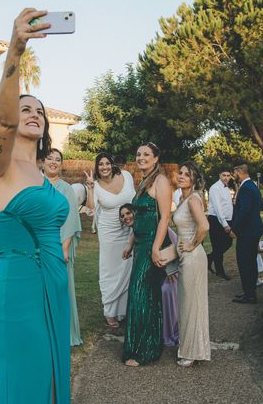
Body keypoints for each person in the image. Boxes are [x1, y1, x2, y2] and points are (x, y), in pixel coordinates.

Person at [0, 8, 71, 403]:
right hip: (18, 289)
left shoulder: (41, 175)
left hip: (54, 283)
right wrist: (15, 50)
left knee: (51, 374)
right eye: (25, 108)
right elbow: (1, 124)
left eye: (40, 111)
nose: (33, 114)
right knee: (27, 378)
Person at [121, 142, 171, 367]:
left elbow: (165, 218)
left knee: (141, 293)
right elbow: (138, 217)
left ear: (156, 158)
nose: (141, 157)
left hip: (152, 244)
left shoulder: (161, 181)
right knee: (144, 294)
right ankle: (144, 345)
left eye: (146, 154)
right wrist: (131, 243)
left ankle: (143, 350)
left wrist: (155, 247)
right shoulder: (142, 182)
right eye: (138, 154)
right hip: (140, 245)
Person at [84, 153, 134, 328]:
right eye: (100, 164)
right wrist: (90, 188)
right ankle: (110, 311)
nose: (104, 167)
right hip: (109, 233)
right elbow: (91, 210)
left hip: (129, 228)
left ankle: (125, 310)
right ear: (97, 167)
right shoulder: (96, 185)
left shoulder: (126, 176)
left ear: (112, 164)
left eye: (107, 163)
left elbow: (134, 199)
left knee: (128, 268)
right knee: (110, 270)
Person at [121, 203, 179, 348]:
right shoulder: (136, 232)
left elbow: (172, 245)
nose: (126, 217)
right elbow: (133, 237)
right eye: (122, 216)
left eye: (128, 213)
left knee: (165, 291)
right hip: (154, 272)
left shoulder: (155, 226)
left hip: (169, 272)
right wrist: (129, 246)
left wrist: (170, 269)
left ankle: (170, 332)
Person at [43, 148, 83, 346]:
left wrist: (65, 247)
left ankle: (63, 333)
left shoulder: (66, 189)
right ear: (42, 161)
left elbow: (70, 219)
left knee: (60, 289)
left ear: (61, 164)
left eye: (57, 159)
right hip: (38, 244)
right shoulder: (34, 186)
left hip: (58, 244)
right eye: (49, 158)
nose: (53, 162)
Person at [173, 161, 211, 367]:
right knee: (188, 304)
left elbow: (204, 225)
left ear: (194, 179)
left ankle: (191, 352)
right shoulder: (183, 198)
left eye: (186, 175)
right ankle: (192, 348)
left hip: (193, 257)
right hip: (185, 257)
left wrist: (192, 244)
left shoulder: (193, 199)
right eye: (180, 173)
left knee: (191, 304)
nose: (181, 176)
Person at [230, 163, 263, 305]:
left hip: (247, 232)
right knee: (251, 262)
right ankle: (250, 293)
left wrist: (234, 229)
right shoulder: (252, 186)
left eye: (234, 173)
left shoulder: (246, 188)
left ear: (239, 172)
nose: (234, 176)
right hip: (252, 230)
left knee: (245, 263)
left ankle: (249, 295)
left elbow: (244, 211)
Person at [207, 170, 234, 280]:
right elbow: (218, 208)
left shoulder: (226, 187)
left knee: (228, 243)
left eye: (228, 176)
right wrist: (225, 224)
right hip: (216, 221)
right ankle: (220, 271)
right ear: (219, 175)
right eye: (224, 175)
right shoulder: (215, 188)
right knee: (218, 246)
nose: (226, 178)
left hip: (227, 220)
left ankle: (209, 258)